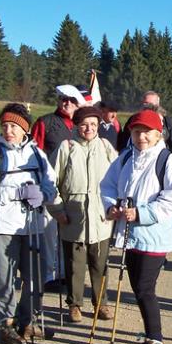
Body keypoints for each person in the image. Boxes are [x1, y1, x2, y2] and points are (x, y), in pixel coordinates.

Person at [101, 109, 172, 344]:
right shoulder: (126, 157)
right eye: (137, 131)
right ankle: (152, 340)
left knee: (144, 288)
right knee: (139, 288)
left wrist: (142, 213)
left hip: (155, 236)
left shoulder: (167, 160)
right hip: (130, 235)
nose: (141, 137)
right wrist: (111, 207)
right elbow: (107, 185)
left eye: (147, 132)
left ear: (158, 134)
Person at [0, 103, 59, 344]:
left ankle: (28, 322)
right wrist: (18, 193)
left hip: (33, 226)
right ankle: (7, 324)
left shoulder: (38, 155)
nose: (8, 130)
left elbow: (51, 186)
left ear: (25, 129)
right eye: (5, 126)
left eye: (14, 126)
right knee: (6, 279)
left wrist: (43, 195)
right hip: (1, 227)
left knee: (35, 277)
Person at [47, 106, 119, 323]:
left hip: (100, 216)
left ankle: (101, 303)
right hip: (72, 216)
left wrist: (114, 207)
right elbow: (50, 182)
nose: (89, 128)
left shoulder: (106, 147)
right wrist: (57, 210)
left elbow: (118, 180)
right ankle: (75, 304)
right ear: (76, 126)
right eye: (84, 124)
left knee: (100, 263)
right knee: (74, 265)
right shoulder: (66, 147)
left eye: (93, 124)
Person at [31, 84, 85, 289]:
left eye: (71, 100)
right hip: (50, 188)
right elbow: (34, 154)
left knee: (69, 233)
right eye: (63, 98)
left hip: (73, 189)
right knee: (49, 234)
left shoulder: (82, 125)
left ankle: (66, 273)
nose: (66, 103)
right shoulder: (45, 122)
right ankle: (49, 275)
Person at [117, 91, 172, 157]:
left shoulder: (166, 120)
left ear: (158, 104)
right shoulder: (133, 119)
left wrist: (170, 158)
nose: (148, 107)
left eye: (151, 104)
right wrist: (125, 157)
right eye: (145, 103)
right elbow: (124, 142)